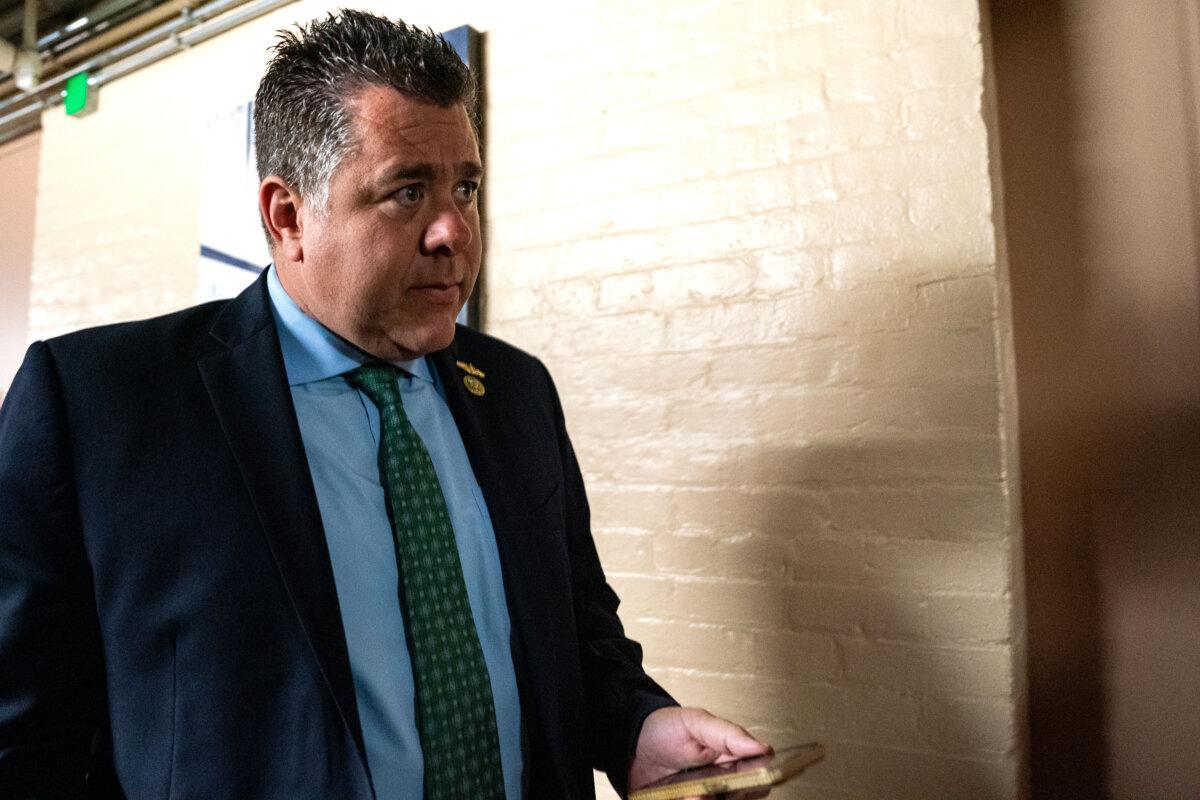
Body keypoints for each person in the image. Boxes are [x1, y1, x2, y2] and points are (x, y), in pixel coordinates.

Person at [0, 11, 769, 800]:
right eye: (407, 192)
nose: (453, 231)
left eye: (464, 187)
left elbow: (575, 629)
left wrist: (638, 726)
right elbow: (25, 736)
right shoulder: (103, 404)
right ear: (288, 216)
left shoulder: (514, 391)